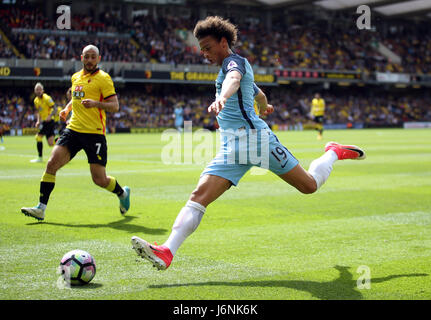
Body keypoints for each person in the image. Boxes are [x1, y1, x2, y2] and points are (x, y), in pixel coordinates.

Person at [131, 16, 365, 270]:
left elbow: (233, 79)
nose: (205, 54)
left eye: (208, 47)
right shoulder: (231, 68)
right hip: (231, 147)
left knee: (309, 186)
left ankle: (332, 152)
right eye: (201, 49)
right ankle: (167, 251)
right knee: (198, 196)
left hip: (257, 142)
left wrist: (222, 97)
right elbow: (259, 93)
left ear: (223, 42)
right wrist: (265, 106)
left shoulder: (234, 62)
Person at [21, 45, 130, 221]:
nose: (89, 60)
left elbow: (115, 106)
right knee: (51, 164)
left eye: (93, 57)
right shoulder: (75, 77)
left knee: (99, 179)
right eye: (86, 57)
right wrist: (66, 108)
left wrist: (96, 103)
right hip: (73, 130)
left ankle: (122, 193)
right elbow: (75, 98)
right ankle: (41, 208)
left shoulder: (104, 79)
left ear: (98, 59)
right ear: (81, 58)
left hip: (94, 134)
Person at [30, 83, 57, 163]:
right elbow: (39, 112)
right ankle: (63, 142)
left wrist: (50, 115)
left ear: (43, 90)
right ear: (35, 91)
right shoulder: (36, 100)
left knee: (38, 137)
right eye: (37, 90)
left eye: (39, 89)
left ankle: (40, 157)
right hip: (44, 122)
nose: (38, 91)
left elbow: (54, 108)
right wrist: (38, 120)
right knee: (51, 143)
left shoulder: (47, 98)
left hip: (49, 121)